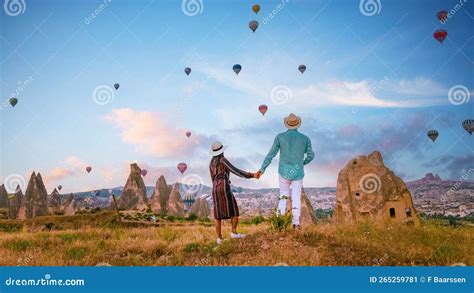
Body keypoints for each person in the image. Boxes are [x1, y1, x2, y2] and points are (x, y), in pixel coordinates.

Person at [257, 113, 314, 229]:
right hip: (298, 172)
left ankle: (279, 224)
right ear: (297, 124)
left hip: (283, 171)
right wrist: (303, 163)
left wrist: (262, 169)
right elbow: (311, 155)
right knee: (296, 197)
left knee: (283, 197)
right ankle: (296, 224)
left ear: (287, 124)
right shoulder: (305, 138)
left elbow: (271, 154)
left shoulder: (279, 137)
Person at [209, 141, 259, 244]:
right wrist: (252, 175)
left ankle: (219, 238)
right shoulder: (223, 160)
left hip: (214, 188)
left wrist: (216, 185)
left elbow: (212, 178)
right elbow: (236, 171)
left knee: (217, 214)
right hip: (223, 186)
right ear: (222, 151)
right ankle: (234, 233)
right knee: (234, 210)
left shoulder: (211, 163)